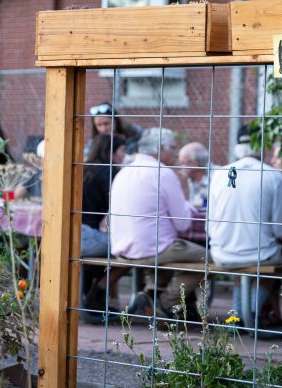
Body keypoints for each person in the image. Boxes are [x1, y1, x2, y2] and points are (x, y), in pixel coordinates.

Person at [110, 127, 206, 319]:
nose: (175, 154)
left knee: (168, 245)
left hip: (122, 248)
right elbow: (183, 224)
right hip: (152, 250)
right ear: (160, 149)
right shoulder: (163, 173)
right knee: (208, 260)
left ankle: (151, 294)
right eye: (173, 147)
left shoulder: (124, 172)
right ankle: (167, 301)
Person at [208, 125, 282, 319]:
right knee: (274, 261)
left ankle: (237, 315)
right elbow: (279, 231)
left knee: (239, 257)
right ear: (262, 146)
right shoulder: (273, 175)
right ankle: (250, 311)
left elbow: (209, 227)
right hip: (260, 255)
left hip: (221, 254)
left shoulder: (219, 174)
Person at [81, 134, 126, 322]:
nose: (124, 155)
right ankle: (96, 293)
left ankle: (94, 299)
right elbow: (119, 206)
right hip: (91, 236)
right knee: (132, 251)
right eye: (122, 151)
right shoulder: (110, 172)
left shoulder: (83, 169)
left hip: (79, 233)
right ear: (111, 151)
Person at [178, 142, 210, 208]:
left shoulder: (217, 177)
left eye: (183, 163)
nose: (181, 168)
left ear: (194, 164)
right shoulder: (185, 180)